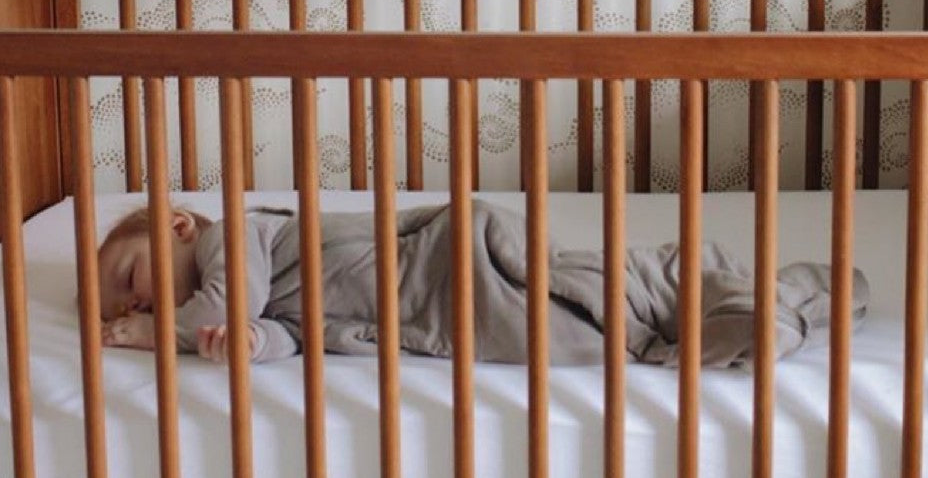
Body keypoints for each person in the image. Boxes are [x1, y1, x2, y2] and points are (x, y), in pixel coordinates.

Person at [98, 200, 868, 368]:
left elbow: (236, 295)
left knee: (582, 293)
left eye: (131, 282)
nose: (137, 304)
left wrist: (152, 333)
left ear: (177, 226)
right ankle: (738, 303)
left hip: (453, 263)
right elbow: (287, 333)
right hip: (427, 313)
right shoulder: (241, 298)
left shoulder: (239, 235)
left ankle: (733, 287)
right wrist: (246, 345)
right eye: (127, 307)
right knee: (578, 332)